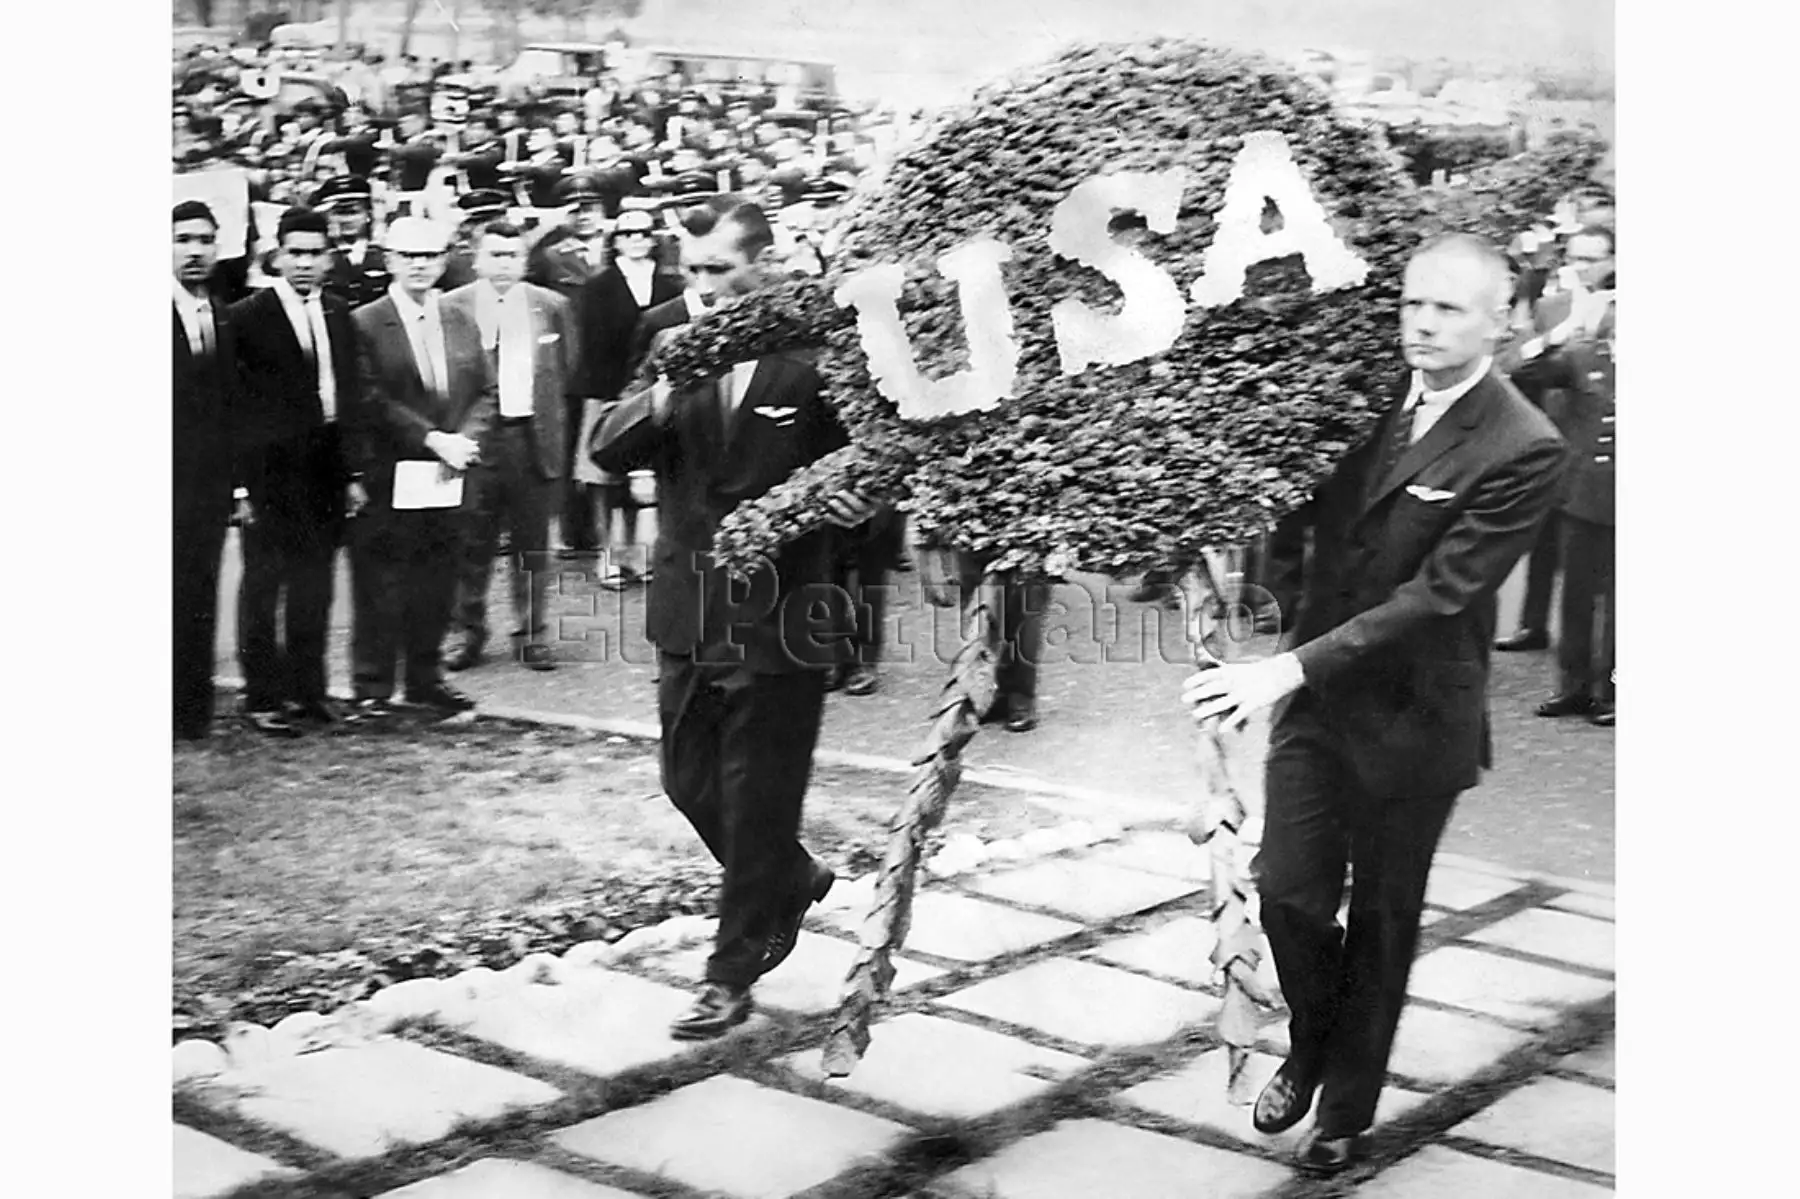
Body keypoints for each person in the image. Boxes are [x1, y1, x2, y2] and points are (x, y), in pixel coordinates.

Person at [1182, 233, 1568, 1176]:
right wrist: (1244, 584)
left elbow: (1439, 594)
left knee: (1386, 919)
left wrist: (1287, 669)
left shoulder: (1524, 443)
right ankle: (1314, 1039)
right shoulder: (1359, 399)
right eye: (1412, 304)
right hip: (1317, 703)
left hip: (1416, 718)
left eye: (1448, 309)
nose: (1422, 325)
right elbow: (1300, 512)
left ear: (1500, 321)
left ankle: (1344, 1111)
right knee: (1288, 893)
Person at [590, 196, 883, 1040]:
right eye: (692, 269)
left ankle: (731, 971)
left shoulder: (817, 349)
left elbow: (870, 465)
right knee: (686, 780)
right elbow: (607, 446)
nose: (704, 284)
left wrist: (856, 502)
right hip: (688, 603)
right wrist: (663, 393)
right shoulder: (668, 337)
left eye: (719, 268)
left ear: (764, 262)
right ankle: (789, 877)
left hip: (784, 609)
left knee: (759, 798)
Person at [347, 216, 494, 716]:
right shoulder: (365, 321)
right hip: (393, 471)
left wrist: (465, 440)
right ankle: (372, 687)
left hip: (449, 474)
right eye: (408, 255)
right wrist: (432, 439)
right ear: (389, 259)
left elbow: (486, 390)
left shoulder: (459, 317)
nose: (419, 264)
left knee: (438, 580)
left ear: (444, 260)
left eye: (430, 255)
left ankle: (425, 680)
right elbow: (370, 397)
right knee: (382, 584)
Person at [228, 207, 362, 736]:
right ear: (277, 256)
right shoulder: (246, 316)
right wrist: (240, 487)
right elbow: (233, 408)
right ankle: (261, 695)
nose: (304, 263)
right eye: (295, 253)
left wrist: (351, 474)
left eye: (314, 254)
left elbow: (347, 397)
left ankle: (309, 690)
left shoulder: (338, 311)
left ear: (329, 258)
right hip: (269, 473)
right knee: (264, 584)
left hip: (324, 468)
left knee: (316, 582)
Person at [442, 221, 581, 673]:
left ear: (525, 260)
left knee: (532, 544)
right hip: (475, 439)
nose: (504, 264)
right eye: (495, 254)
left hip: (530, 438)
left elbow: (566, 371)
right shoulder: (451, 306)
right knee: (470, 540)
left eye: (513, 255)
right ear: (476, 259)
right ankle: (466, 631)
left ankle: (532, 632)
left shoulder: (552, 306)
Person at [1505, 228, 1616, 727]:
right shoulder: (1584, 352)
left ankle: (1613, 690)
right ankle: (1573, 687)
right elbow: (1517, 370)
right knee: (1576, 595)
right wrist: (1566, 332)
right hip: (1584, 487)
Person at [569, 206, 682, 562]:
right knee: (604, 478)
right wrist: (608, 395)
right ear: (615, 240)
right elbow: (590, 344)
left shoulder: (670, 285)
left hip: (655, 388)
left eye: (643, 234)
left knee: (650, 472)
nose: (636, 240)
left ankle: (643, 554)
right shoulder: (597, 287)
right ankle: (609, 555)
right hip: (607, 387)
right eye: (628, 234)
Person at [172, 201, 238, 741]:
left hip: (206, 486)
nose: (195, 251)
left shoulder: (220, 311)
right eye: (182, 240)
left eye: (204, 240)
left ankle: (190, 709)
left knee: (197, 591)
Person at [313, 175, 393, 311]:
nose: (347, 220)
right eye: (339, 213)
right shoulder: (319, 256)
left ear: (368, 214)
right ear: (327, 216)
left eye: (354, 212)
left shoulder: (385, 254)